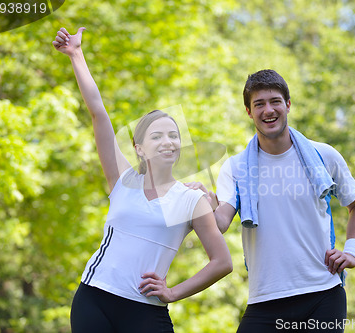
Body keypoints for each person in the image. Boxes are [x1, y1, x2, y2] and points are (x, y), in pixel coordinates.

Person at [52, 27, 232, 333]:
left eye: (174, 136)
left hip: (146, 311)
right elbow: (98, 112)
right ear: (139, 148)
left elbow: (222, 262)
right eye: (157, 135)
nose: (168, 141)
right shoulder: (122, 179)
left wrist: (173, 292)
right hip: (94, 297)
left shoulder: (191, 199)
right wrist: (76, 55)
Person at [191, 69, 355, 332]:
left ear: (288, 104)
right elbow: (220, 223)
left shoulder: (324, 155)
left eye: (275, 101)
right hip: (265, 299)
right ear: (249, 112)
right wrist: (202, 203)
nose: (268, 110)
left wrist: (353, 252)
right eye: (259, 104)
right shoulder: (236, 167)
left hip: (322, 294)